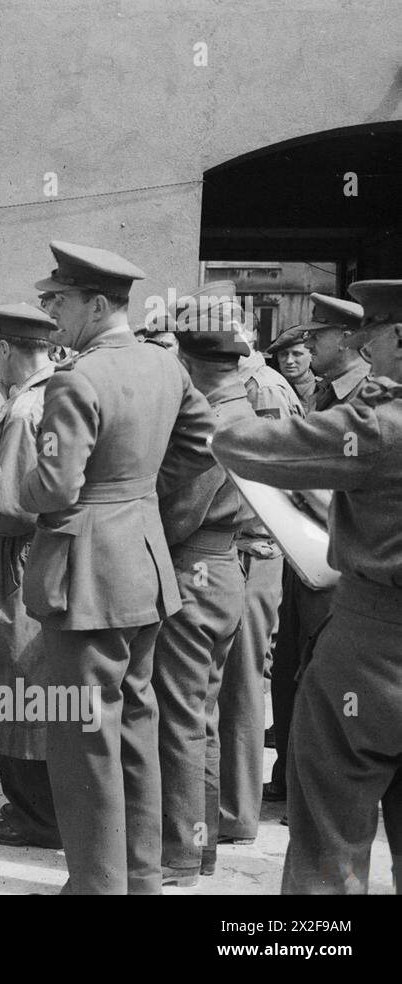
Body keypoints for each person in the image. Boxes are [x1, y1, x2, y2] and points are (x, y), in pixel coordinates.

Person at [19, 242, 214, 895]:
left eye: (61, 302)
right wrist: (148, 512)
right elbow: (203, 452)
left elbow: (53, 488)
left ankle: (99, 886)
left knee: (81, 737)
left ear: (98, 304)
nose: (53, 316)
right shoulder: (167, 367)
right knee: (136, 722)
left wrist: (18, 492)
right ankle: (140, 877)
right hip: (145, 566)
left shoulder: (76, 379)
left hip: (87, 577)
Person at [212, 278, 402, 894]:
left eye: (373, 336)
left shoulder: (380, 425)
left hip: (376, 642)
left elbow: (243, 446)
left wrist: (224, 388)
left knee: (330, 834)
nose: (365, 349)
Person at [153, 283, 257, 887]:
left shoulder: (216, 423)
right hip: (220, 573)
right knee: (202, 719)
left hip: (195, 568)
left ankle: (180, 853)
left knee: (180, 719)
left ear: (189, 362)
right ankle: (200, 843)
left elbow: (178, 512)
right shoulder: (240, 412)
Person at [0, 303, 64, 850]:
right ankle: (35, 804)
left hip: (17, 554)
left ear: (5, 349)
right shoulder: (55, 391)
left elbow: (15, 504)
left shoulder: (27, 408)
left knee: (15, 675)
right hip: (37, 553)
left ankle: (35, 815)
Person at [265, 292, 367, 804]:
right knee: (290, 670)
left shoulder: (369, 399)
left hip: (339, 560)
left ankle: (320, 790)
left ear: (348, 338)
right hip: (302, 552)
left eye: (318, 334)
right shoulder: (325, 395)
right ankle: (290, 776)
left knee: (326, 677)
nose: (306, 343)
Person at [217, 311, 305, 850]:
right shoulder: (250, 383)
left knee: (242, 684)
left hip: (252, 550)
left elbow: (271, 481)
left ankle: (236, 812)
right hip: (242, 550)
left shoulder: (262, 389)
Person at [268, 325, 316, 414]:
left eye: (297, 354)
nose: (289, 361)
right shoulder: (269, 390)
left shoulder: (324, 391)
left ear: (311, 356)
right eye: (283, 354)